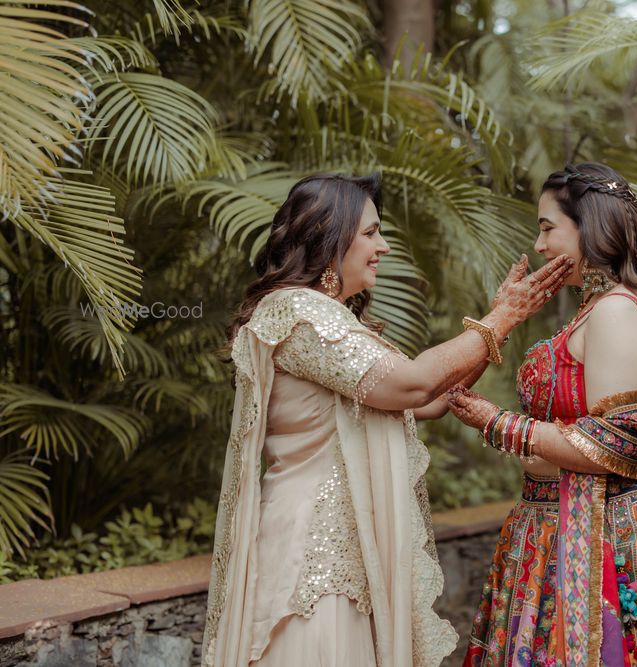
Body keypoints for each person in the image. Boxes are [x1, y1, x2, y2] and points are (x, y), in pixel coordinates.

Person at [202, 172, 573, 667]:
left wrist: (498, 323)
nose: (384, 247)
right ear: (329, 237)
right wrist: (500, 319)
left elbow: (428, 398)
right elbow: (413, 385)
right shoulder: (297, 312)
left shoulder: (333, 319)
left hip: (347, 551)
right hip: (311, 557)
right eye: (371, 233)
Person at [447, 163, 637, 667]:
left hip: (602, 537)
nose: (539, 245)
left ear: (590, 226)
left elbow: (612, 446)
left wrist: (497, 423)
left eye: (548, 227)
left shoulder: (619, 310)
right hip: (557, 526)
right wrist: (500, 317)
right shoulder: (598, 310)